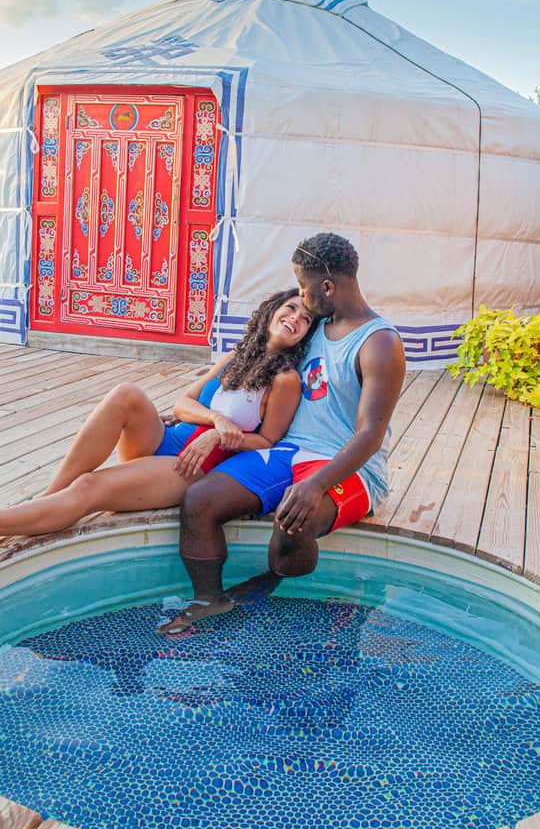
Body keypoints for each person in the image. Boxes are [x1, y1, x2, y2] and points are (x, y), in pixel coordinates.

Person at [0, 289, 314, 552]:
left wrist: (222, 436)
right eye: (290, 307)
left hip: (195, 465)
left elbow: (267, 441)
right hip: (173, 438)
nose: (295, 317)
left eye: (305, 319)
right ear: (271, 311)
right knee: (126, 394)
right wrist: (216, 419)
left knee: (91, 486)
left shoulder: (285, 379)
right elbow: (182, 402)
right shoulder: (236, 356)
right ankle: (48, 499)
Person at [160, 231, 406, 635]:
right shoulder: (315, 326)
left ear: (327, 286)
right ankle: (210, 598)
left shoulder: (378, 343)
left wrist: (316, 486)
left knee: (293, 523)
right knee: (200, 499)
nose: (301, 300)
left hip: (347, 465)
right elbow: (258, 363)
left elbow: (370, 435)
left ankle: (274, 586)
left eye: (305, 289)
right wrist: (203, 415)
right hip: (287, 450)